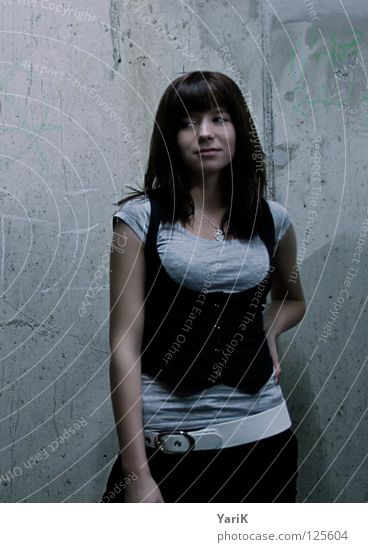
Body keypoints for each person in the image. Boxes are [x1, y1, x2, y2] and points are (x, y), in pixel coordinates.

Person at [104, 71, 306, 502]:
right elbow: (123, 346)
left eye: (220, 118)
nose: (206, 133)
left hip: (264, 441)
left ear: (239, 130)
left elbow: (293, 299)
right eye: (188, 122)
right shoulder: (138, 220)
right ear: (170, 138)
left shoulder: (273, 219)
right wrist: (136, 473)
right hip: (171, 451)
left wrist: (266, 330)